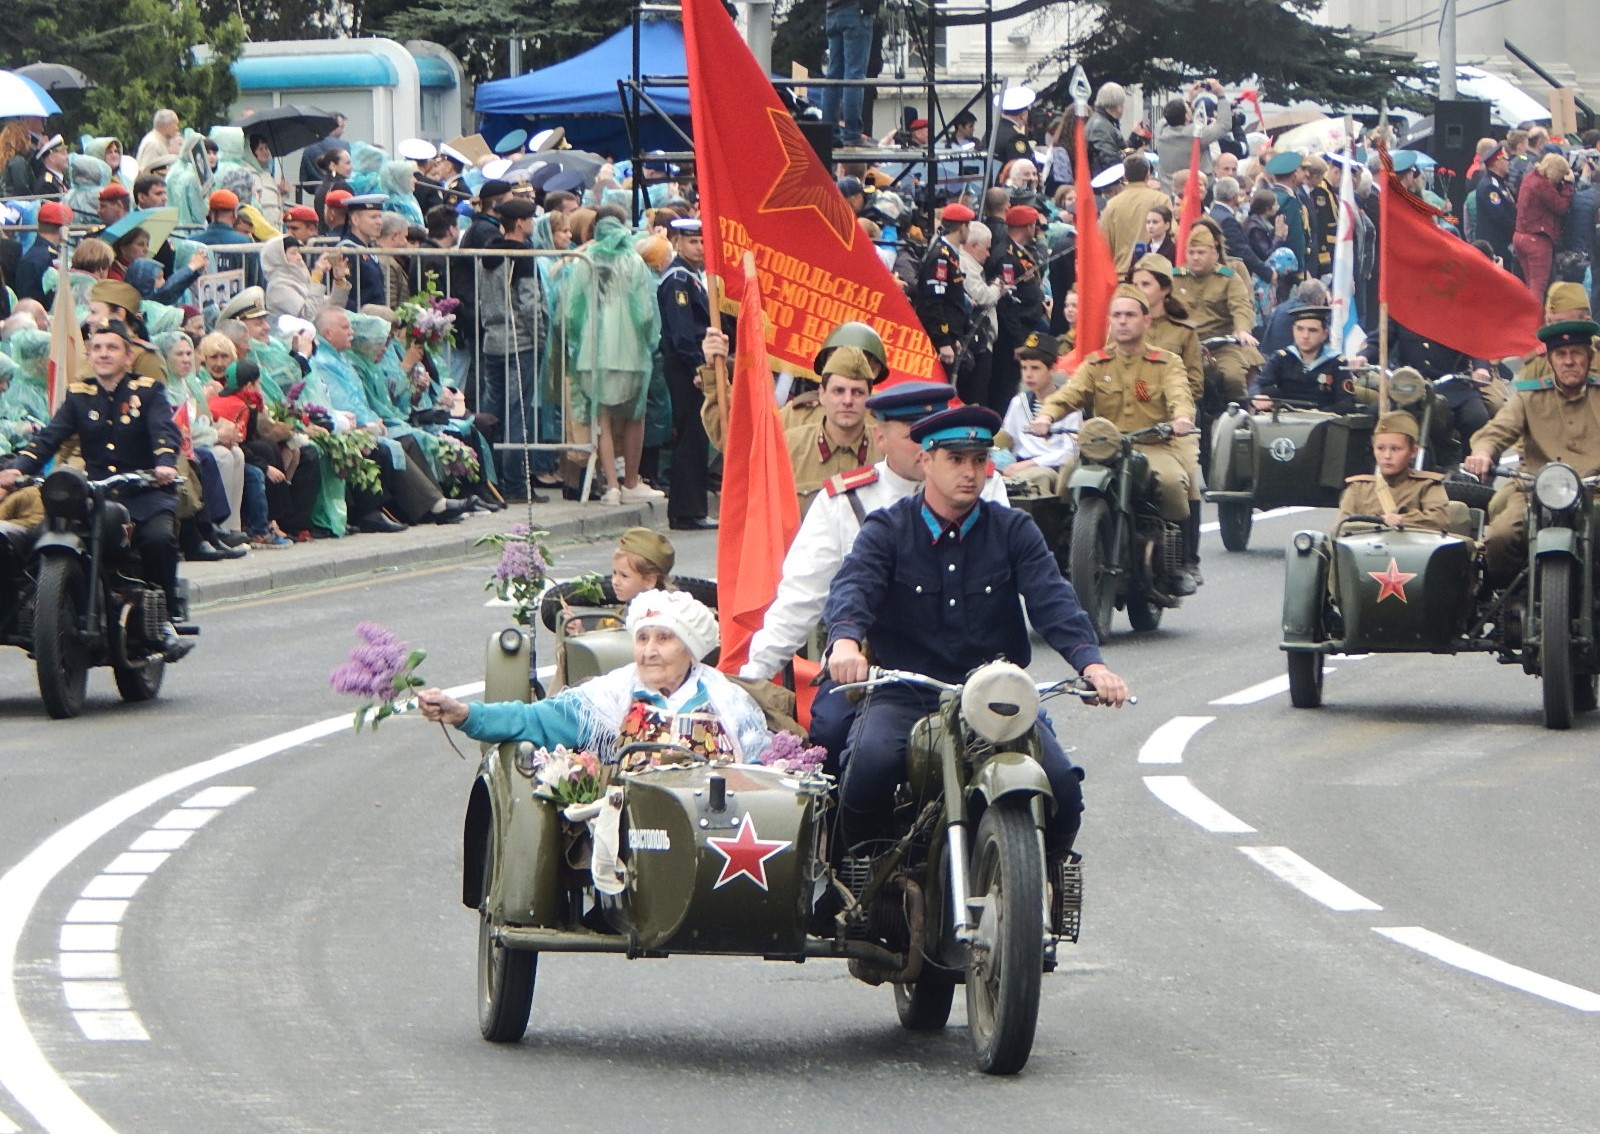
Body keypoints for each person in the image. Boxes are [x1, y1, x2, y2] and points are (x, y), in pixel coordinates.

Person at [823, 404, 1129, 860]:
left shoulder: (1013, 529)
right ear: (926, 460)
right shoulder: (887, 529)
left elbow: (1054, 600)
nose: (970, 472)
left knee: (1063, 790)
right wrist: (846, 642)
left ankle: (1043, 883)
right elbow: (854, 587)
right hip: (907, 693)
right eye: (956, 459)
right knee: (865, 772)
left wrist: (1093, 666)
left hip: (998, 695)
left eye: (979, 460)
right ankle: (863, 876)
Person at [740, 383, 1008, 759]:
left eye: (937, 429)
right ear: (880, 437)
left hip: (970, 664)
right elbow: (801, 598)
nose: (929, 443)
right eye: (915, 433)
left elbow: (1020, 578)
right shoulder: (847, 500)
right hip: (872, 667)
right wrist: (748, 680)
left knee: (1035, 753)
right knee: (831, 736)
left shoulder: (984, 485)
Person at [0, 321, 191, 659]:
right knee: (37, 539)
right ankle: (42, 613)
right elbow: (49, 438)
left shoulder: (149, 391)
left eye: (112, 347)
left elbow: (165, 432)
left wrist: (164, 463)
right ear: (89, 355)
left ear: (128, 356)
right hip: (98, 495)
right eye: (97, 348)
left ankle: (165, 619)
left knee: (157, 540)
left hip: (144, 492)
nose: (103, 354)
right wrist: (18, 468)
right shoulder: (79, 394)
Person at [420, 589, 771, 765]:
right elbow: (532, 720)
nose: (649, 651)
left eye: (664, 639)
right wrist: (464, 714)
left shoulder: (726, 700)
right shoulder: (608, 696)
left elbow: (759, 770)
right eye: (642, 639)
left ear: (691, 650)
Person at [1029, 285, 1199, 594]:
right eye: (1117, 315)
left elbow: (1180, 394)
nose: (1123, 321)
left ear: (1146, 321)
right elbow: (1068, 395)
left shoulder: (1167, 362)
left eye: (1130, 315)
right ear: (1109, 321)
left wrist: (1181, 418)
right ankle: (1062, 551)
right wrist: (1046, 417)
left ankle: (1180, 563)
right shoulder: (1096, 363)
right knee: (1065, 478)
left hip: (1152, 445)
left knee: (1173, 483)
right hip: (1103, 448)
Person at [1466, 319, 1600, 580]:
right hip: (1535, 493)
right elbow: (1498, 430)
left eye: (1576, 353)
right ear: (1550, 360)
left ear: (1589, 357)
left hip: (1594, 492)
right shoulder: (1528, 396)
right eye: (1561, 354)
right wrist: (1483, 452)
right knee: (1499, 537)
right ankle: (1510, 595)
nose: (1569, 361)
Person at [656, 217, 713, 527]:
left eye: (703, 241)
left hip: (693, 362)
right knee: (691, 436)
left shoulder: (693, 276)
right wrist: (696, 367)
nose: (700, 247)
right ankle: (687, 511)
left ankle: (692, 509)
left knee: (697, 435)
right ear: (677, 243)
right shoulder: (678, 279)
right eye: (693, 241)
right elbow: (682, 332)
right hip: (685, 365)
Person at [784, 345, 882, 515]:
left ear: (869, 397)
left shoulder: (887, 450)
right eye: (838, 391)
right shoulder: (789, 446)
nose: (847, 400)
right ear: (822, 394)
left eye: (858, 392)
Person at [1336, 411, 1450, 533]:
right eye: (1380, 448)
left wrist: (1401, 520)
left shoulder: (1427, 485)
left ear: (1413, 451)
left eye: (1396, 449)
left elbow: (1439, 520)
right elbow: (1341, 528)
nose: (1387, 456)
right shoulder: (1358, 488)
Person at [998, 331, 1078, 493]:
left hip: (1051, 468)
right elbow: (1008, 438)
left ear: (1052, 368)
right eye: (1024, 368)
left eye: (1035, 368)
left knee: (1039, 476)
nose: (1028, 375)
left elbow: (1069, 452)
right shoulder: (1018, 402)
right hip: (1018, 464)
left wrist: (1030, 464)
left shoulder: (1069, 406)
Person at [1250, 305, 1356, 412]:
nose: (1305, 336)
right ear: (1293, 330)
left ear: (1324, 334)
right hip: (1285, 416)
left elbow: (1347, 402)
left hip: (1323, 418)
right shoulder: (1282, 358)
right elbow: (1258, 384)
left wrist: (1321, 413)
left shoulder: (1336, 362)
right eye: (1300, 329)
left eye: (1312, 330)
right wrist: (1257, 397)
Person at [911, 203, 972, 383]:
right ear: (962, 227)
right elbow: (933, 301)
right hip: (940, 339)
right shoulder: (941, 257)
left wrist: (955, 337)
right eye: (968, 226)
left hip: (951, 335)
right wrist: (943, 341)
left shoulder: (950, 254)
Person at [1512, 153, 1574, 303]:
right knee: (1538, 287)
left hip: (1519, 236)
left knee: (1529, 285)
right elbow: (1561, 207)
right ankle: (1536, 318)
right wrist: (1568, 186)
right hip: (1537, 240)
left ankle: (1527, 316)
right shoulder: (1543, 185)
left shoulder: (1529, 178)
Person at [819, 0, 874, 147]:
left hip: (833, 11)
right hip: (855, 10)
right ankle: (852, 134)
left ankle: (829, 133)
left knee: (833, 76)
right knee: (854, 76)